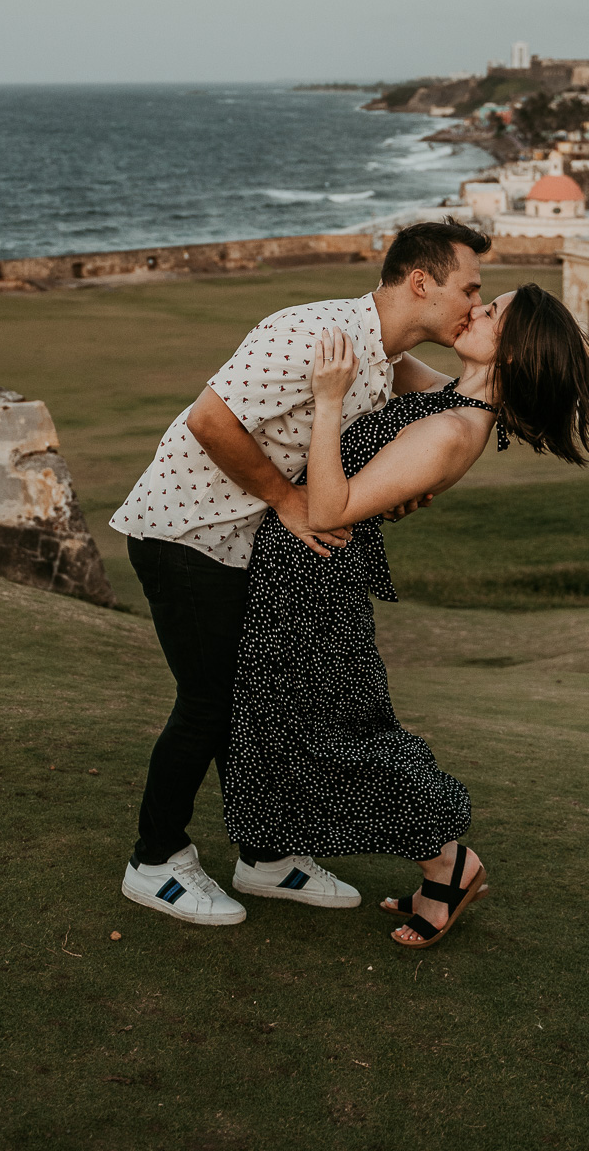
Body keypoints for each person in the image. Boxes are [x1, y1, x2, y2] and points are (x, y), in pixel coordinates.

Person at [111, 219, 491, 925]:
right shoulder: (314, 336)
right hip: (186, 534)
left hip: (243, 544)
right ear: (421, 282)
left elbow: (452, 402)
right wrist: (290, 502)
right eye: (470, 288)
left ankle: (267, 855)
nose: (475, 301)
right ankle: (155, 859)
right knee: (209, 705)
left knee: (256, 706)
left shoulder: (386, 357)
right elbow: (208, 421)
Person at [223, 282, 589, 948]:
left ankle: (447, 862)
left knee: (337, 736)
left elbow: (326, 511)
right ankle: (291, 858)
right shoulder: (451, 395)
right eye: (483, 297)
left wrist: (327, 403)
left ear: (515, 354)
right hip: (302, 575)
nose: (477, 308)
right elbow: (388, 342)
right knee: (299, 725)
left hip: (316, 581)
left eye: (492, 312)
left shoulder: (452, 428)